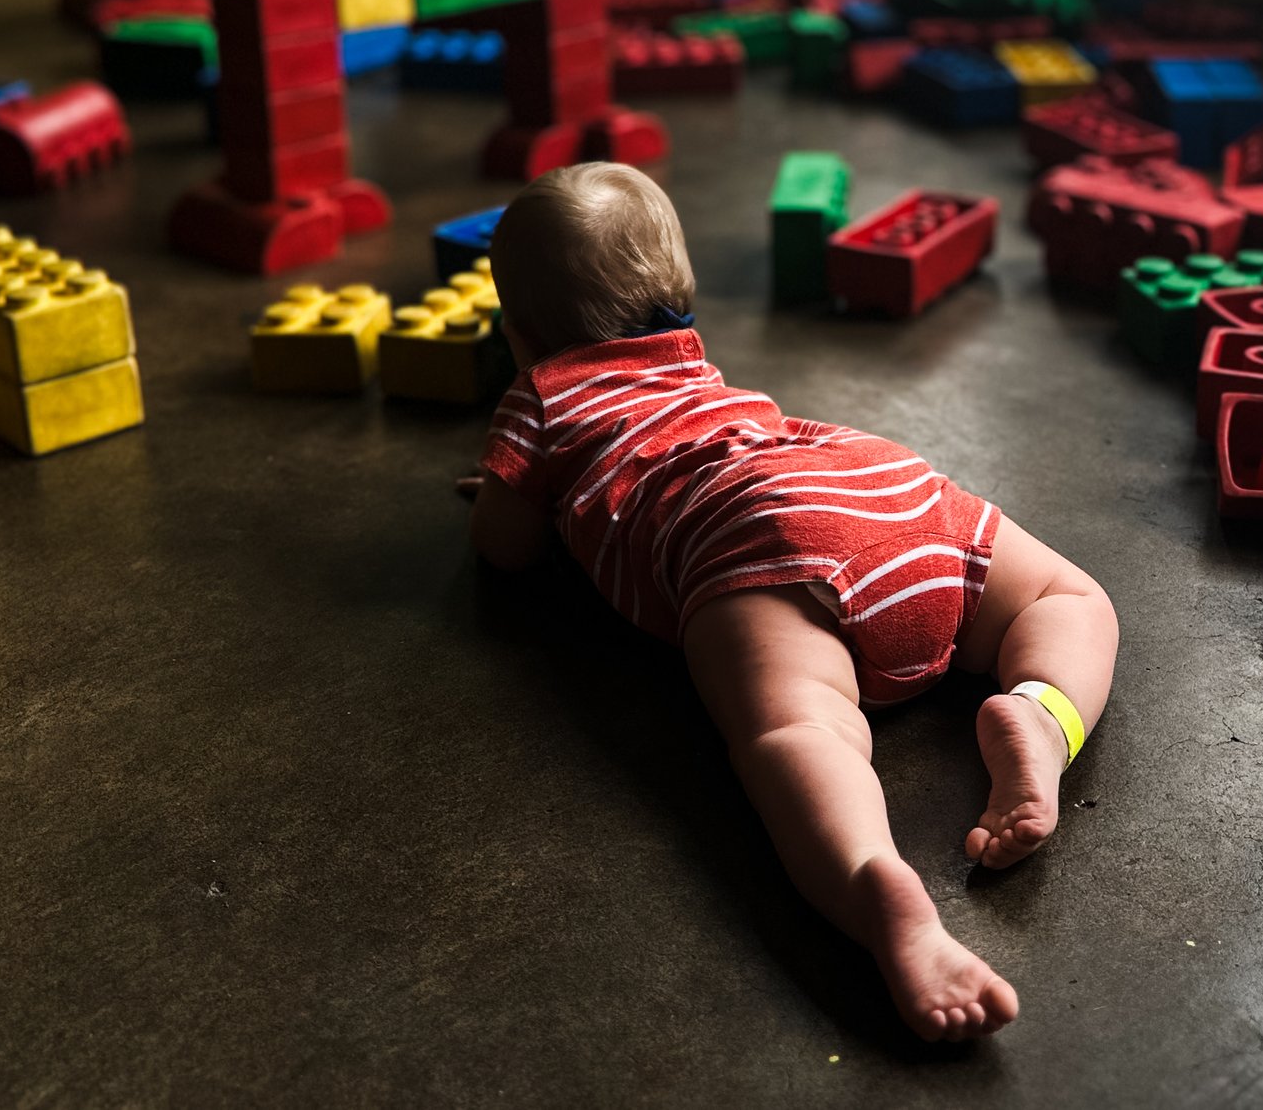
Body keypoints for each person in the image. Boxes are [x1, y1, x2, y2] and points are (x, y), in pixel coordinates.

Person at [464, 164, 1121, 1042]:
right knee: (1066, 595)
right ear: (675, 295)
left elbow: (505, 549)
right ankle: (1044, 712)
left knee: (800, 731)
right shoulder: (689, 358)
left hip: (754, 538)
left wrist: (509, 488)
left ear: (520, 328)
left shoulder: (540, 396)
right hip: (878, 485)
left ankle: (876, 883)